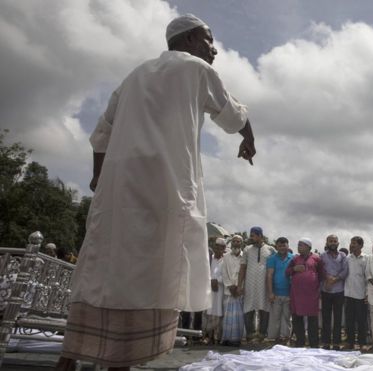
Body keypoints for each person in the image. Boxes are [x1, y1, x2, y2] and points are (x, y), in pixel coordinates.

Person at [56, 14, 256, 370]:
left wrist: (98, 179)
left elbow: (101, 133)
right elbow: (233, 115)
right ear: (191, 40)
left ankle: (69, 359)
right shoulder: (196, 69)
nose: (215, 49)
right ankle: (120, 361)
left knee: (102, 267)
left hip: (117, 191)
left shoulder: (135, 75)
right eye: (210, 40)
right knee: (147, 272)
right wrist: (249, 139)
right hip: (163, 187)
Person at [238, 226, 275, 343]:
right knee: (248, 308)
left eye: (253, 235)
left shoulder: (271, 249)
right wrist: (240, 285)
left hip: (265, 285)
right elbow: (243, 268)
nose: (251, 238)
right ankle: (250, 334)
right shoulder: (247, 249)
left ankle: (262, 334)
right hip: (249, 284)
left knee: (265, 308)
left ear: (260, 235)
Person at [287, 238, 322, 348]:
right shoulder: (295, 258)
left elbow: (321, 274)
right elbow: (287, 272)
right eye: (298, 245)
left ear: (308, 247)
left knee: (312, 319)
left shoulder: (316, 258)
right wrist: (294, 269)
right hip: (297, 294)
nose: (299, 247)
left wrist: (318, 288)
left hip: (312, 294)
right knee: (297, 318)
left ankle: (314, 344)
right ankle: (300, 342)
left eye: (301, 245)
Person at [320, 234, 348, 350]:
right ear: (327, 243)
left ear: (338, 243)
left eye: (334, 241)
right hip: (326, 290)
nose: (332, 243)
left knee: (337, 318)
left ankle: (336, 342)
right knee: (326, 317)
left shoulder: (342, 256)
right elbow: (320, 269)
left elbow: (345, 270)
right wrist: (327, 279)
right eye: (330, 241)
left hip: (339, 291)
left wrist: (334, 279)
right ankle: (326, 342)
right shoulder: (322, 256)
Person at [266, 237, 294, 343]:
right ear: (276, 247)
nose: (282, 248)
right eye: (280, 246)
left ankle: (285, 337)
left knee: (287, 316)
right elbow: (269, 275)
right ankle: (273, 337)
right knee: (275, 317)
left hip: (289, 293)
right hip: (276, 293)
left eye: (284, 245)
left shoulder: (293, 258)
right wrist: (270, 292)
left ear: (288, 246)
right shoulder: (272, 258)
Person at [344, 236, 369, 351]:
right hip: (348, 294)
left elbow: (368, 277)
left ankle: (362, 342)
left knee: (361, 321)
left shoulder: (366, 259)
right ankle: (350, 342)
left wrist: (367, 294)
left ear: (360, 245)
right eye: (351, 243)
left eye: (354, 243)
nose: (352, 245)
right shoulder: (347, 258)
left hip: (361, 295)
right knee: (349, 320)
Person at [221, 235, 245, 347]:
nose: (236, 243)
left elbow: (246, 273)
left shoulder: (245, 256)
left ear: (241, 243)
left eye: (238, 241)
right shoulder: (225, 257)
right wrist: (231, 287)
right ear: (231, 243)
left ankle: (236, 339)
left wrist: (239, 287)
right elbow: (224, 272)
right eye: (234, 241)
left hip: (240, 291)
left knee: (238, 316)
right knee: (228, 316)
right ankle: (226, 338)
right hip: (229, 291)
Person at [203, 238, 226, 345]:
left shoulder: (226, 260)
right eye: (216, 246)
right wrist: (210, 281)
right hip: (208, 289)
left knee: (218, 311)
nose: (218, 249)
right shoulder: (209, 258)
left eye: (220, 247)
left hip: (220, 289)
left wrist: (218, 281)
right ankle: (208, 336)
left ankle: (217, 336)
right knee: (208, 311)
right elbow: (204, 272)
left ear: (224, 249)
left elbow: (227, 275)